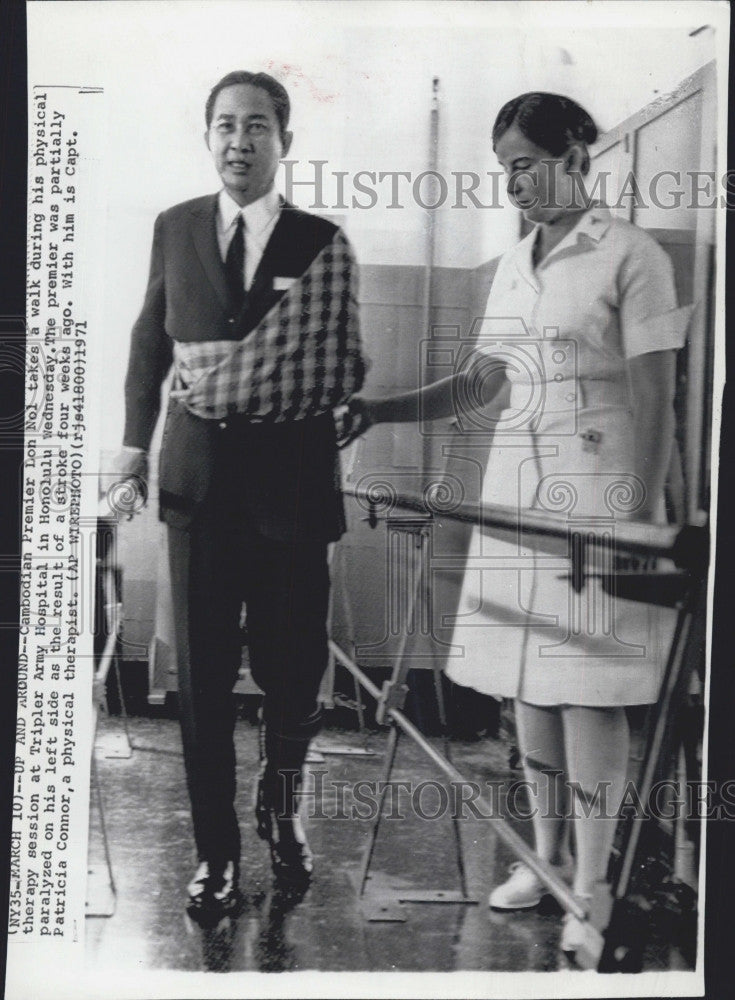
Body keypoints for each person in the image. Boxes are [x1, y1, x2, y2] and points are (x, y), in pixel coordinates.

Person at [340, 92, 689, 956]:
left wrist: (638, 522)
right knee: (525, 683)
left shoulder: (632, 255)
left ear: (577, 153)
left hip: (600, 493)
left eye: (525, 165)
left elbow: (657, 396)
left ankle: (594, 888)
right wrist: (378, 408)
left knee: (584, 689)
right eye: (504, 170)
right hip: (517, 495)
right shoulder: (512, 264)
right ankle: (543, 858)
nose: (513, 185)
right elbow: (478, 386)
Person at [118, 70, 365, 920]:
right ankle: (215, 855)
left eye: (256, 125)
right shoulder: (176, 228)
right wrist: (129, 448)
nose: (238, 141)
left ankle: (280, 809)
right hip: (196, 491)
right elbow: (150, 344)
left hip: (293, 492)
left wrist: (285, 384)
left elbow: (340, 364)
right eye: (224, 125)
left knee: (294, 679)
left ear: (283, 139)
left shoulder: (321, 241)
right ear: (208, 135)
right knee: (205, 685)